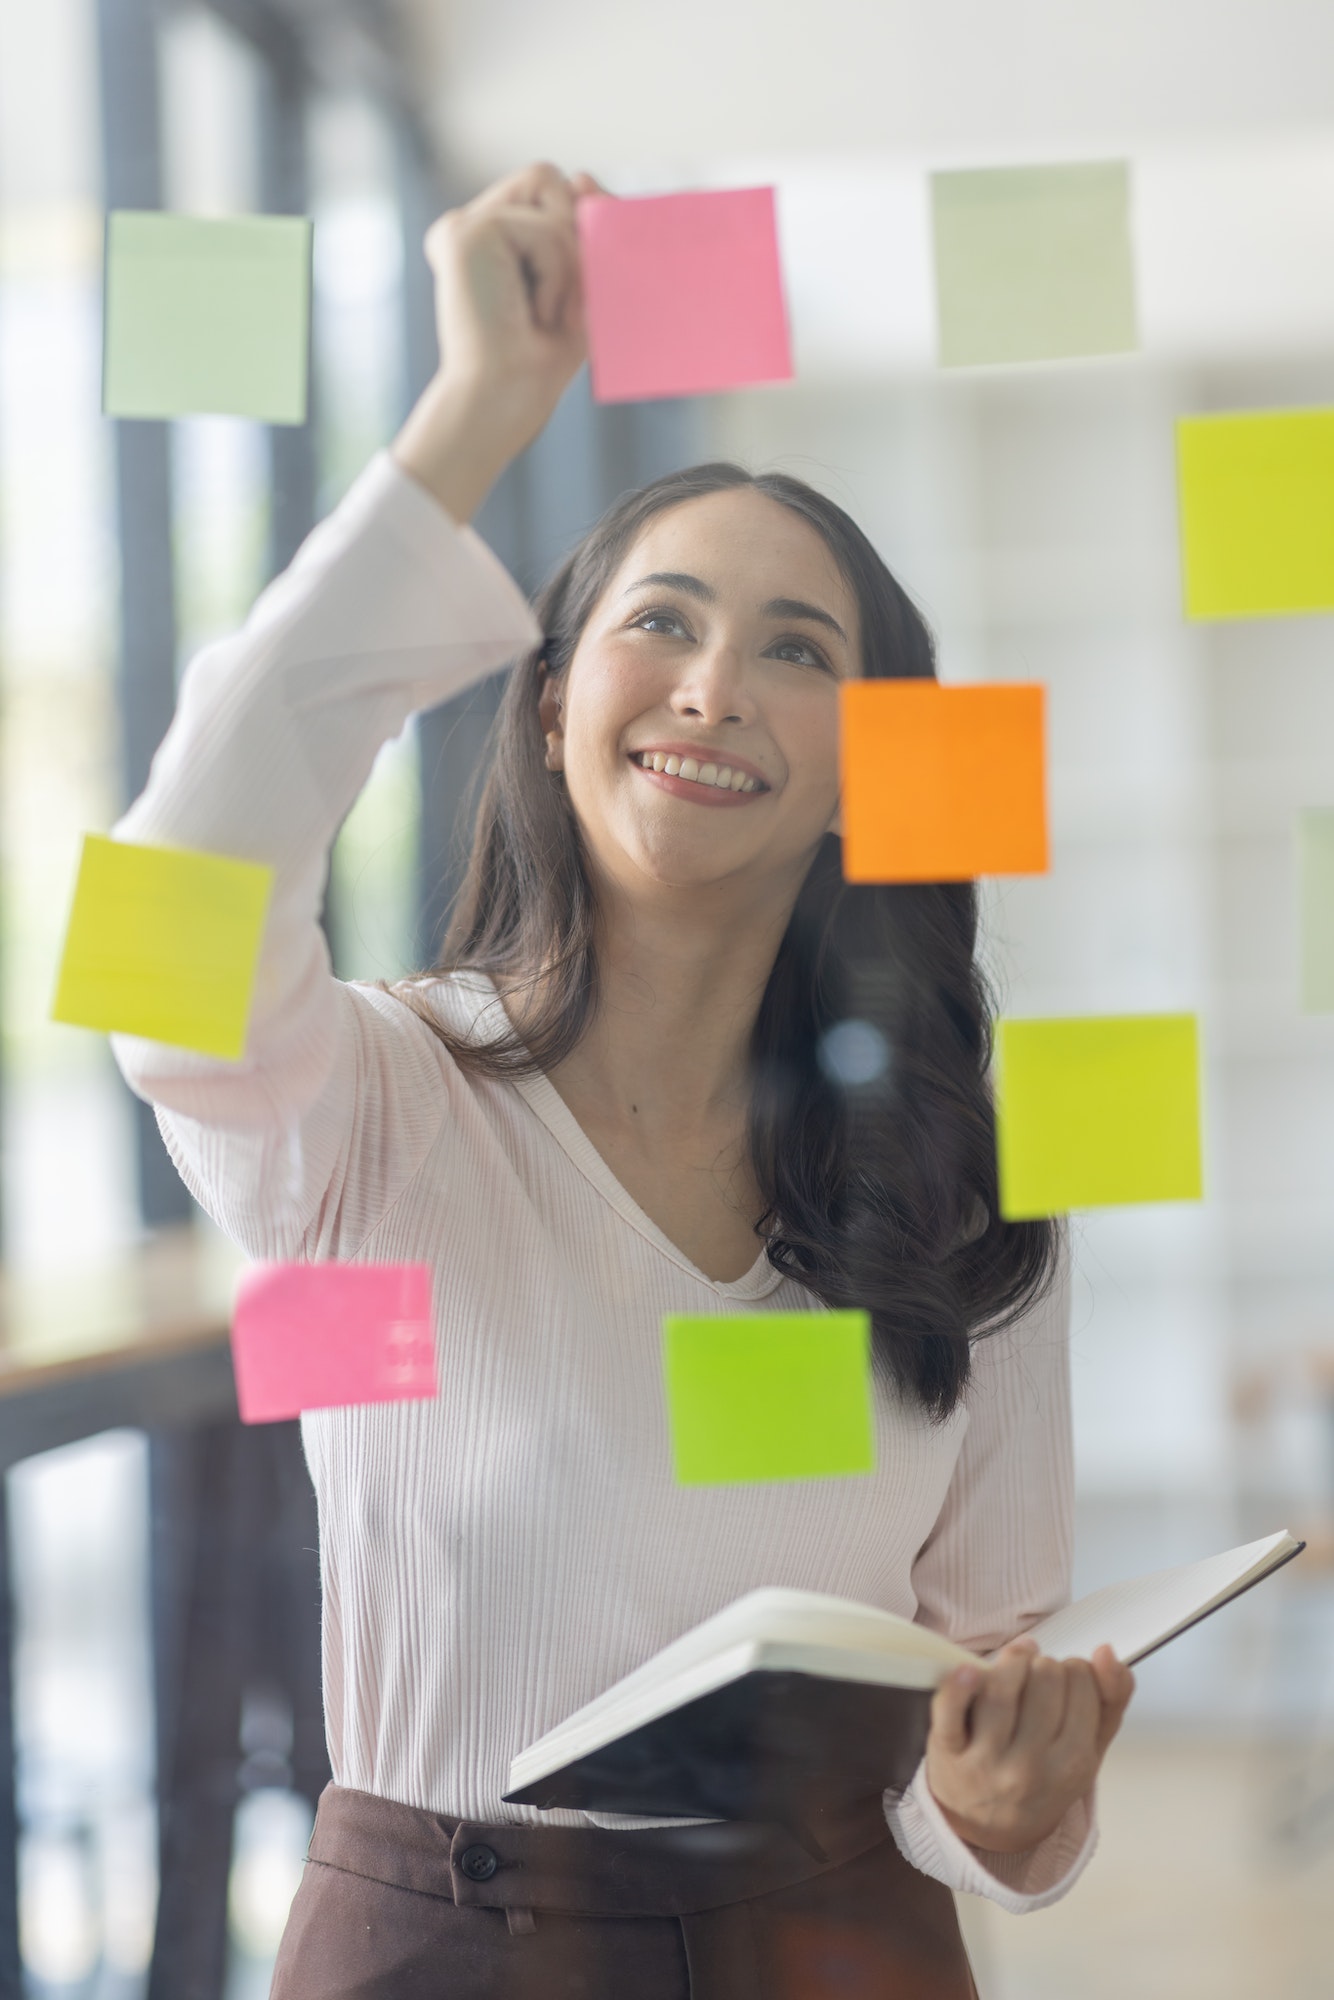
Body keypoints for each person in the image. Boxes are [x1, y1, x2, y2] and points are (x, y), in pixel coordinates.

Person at [112, 162, 1135, 1997]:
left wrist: (1010, 1821)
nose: (715, 683)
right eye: (661, 620)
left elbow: (987, 1697)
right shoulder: (378, 1107)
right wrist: (478, 409)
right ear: (548, 696)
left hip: (844, 1943)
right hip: (438, 1948)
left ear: (862, 774)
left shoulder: (958, 1186)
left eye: (796, 651)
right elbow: (161, 926)